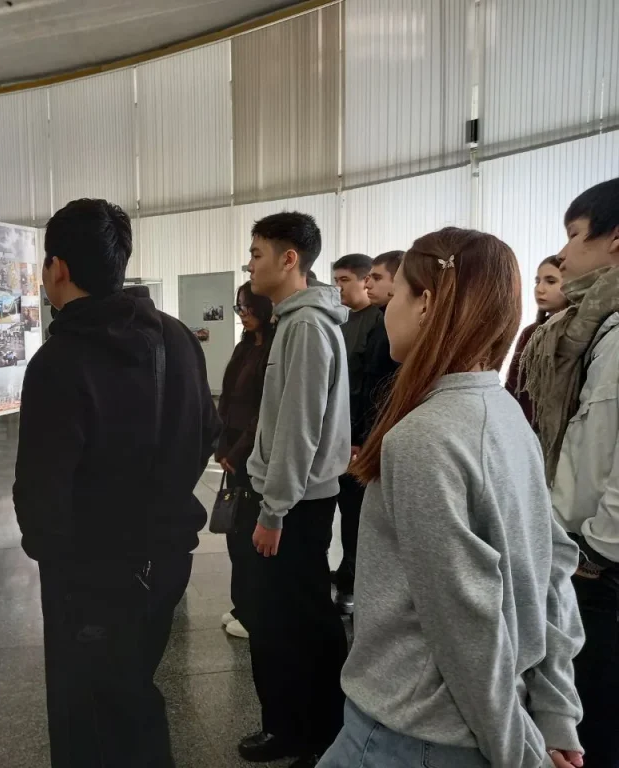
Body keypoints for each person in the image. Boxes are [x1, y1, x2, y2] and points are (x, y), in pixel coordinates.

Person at [319, 228, 584, 768]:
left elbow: (465, 626)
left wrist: (521, 752)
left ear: (426, 303)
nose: (384, 311)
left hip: (412, 731)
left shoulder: (424, 437)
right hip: (474, 722)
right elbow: (552, 570)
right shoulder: (504, 413)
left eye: (395, 294)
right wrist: (554, 714)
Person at [13, 198, 219, 767]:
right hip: (166, 557)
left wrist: (53, 553)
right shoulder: (176, 337)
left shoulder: (59, 360)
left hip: (90, 574)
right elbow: (208, 431)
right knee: (132, 690)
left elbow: (41, 489)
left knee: (87, 713)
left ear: (58, 267)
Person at [237, 212, 350, 768]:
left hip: (296, 504)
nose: (249, 264)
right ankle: (293, 726)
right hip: (294, 498)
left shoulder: (306, 326)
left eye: (256, 253)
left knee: (297, 621)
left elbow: (299, 428)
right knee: (284, 618)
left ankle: (315, 734)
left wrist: (273, 511)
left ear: (289, 260)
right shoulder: (295, 321)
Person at [523, 177, 619, 767]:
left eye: (575, 235)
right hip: (587, 549)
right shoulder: (589, 327)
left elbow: (604, 454)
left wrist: (596, 554)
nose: (562, 254)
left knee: (598, 718)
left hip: (601, 564)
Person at [216, 281, 274, 640]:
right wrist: (222, 445)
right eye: (239, 307)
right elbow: (226, 400)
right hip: (234, 450)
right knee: (235, 533)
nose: (243, 314)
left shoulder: (273, 348)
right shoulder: (244, 346)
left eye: (249, 307)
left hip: (255, 453)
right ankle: (242, 604)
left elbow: (265, 411)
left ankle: (255, 613)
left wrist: (237, 452)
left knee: (251, 535)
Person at [331, 253, 381, 615]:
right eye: (335, 280)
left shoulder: (378, 323)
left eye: (345, 280)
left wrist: (361, 439)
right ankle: (341, 575)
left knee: (356, 518)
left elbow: (371, 389)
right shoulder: (339, 321)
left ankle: (352, 584)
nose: (338, 288)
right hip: (335, 435)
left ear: (366, 281)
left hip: (359, 438)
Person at [504, 255, 565, 424]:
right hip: (524, 426)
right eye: (537, 281)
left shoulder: (578, 333)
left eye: (550, 281)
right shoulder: (530, 333)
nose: (540, 289)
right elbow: (513, 385)